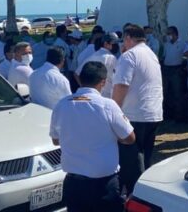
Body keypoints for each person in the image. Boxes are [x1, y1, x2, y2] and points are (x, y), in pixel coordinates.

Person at [50, 61, 135, 212]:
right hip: (103, 184)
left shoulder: (61, 104)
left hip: (73, 183)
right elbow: (129, 138)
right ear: (103, 82)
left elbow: (55, 140)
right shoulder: (107, 105)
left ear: (80, 79)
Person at [112, 24, 163, 193]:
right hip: (153, 112)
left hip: (134, 114)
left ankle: (136, 195)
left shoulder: (129, 56)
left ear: (128, 38)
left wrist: (114, 110)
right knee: (145, 156)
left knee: (131, 159)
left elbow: (121, 85)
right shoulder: (150, 54)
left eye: (123, 40)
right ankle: (146, 191)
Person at [161, 26, 188, 121]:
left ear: (175, 34)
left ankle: (178, 116)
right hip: (166, 70)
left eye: (170, 33)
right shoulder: (167, 44)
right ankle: (167, 115)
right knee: (165, 93)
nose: (168, 36)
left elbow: (186, 55)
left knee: (177, 93)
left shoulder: (182, 44)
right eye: (167, 34)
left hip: (176, 70)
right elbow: (164, 56)